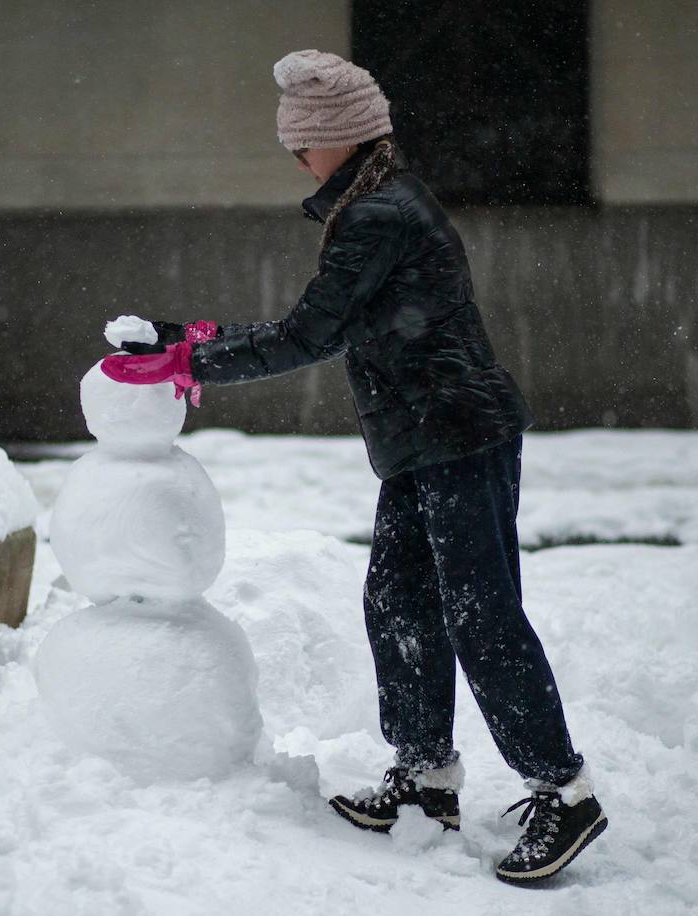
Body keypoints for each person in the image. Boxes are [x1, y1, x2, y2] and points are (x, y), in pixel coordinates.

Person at [102, 50, 605, 884]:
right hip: (423, 437)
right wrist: (196, 342)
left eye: (305, 144)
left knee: (480, 613)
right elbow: (330, 322)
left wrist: (196, 362)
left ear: (342, 140)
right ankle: (425, 776)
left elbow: (311, 332)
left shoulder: (378, 217)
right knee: (399, 599)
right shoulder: (377, 204)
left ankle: (566, 790)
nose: (296, 159)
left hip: (458, 433)